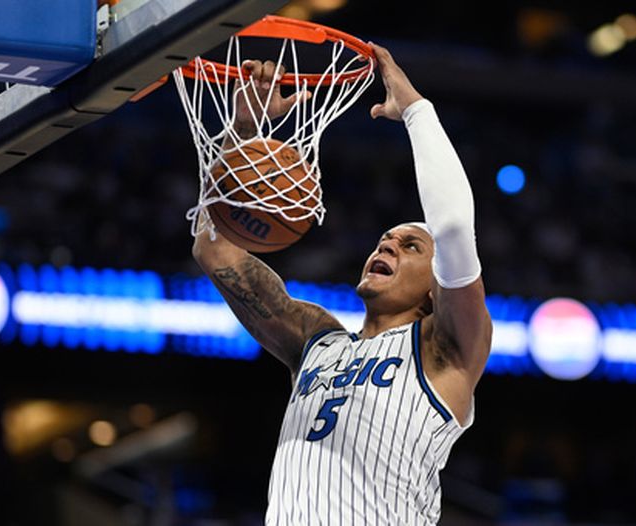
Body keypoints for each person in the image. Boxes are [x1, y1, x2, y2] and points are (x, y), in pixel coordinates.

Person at [192, 43, 492, 525]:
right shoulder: (318, 340)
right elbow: (215, 250)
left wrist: (416, 110)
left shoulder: (446, 350)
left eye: (410, 246)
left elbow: (454, 226)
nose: (387, 246)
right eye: (385, 239)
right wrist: (245, 136)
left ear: (437, 288)